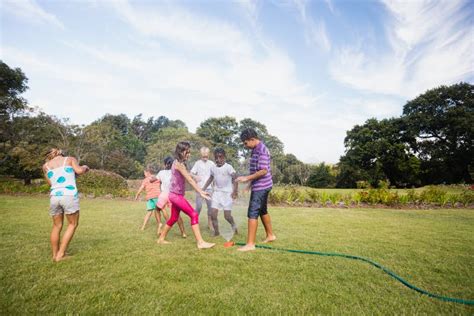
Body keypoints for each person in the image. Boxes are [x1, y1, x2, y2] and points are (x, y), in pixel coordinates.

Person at [157, 142, 215, 249]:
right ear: (180, 151)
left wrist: (194, 178)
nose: (188, 154)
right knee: (194, 214)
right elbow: (189, 180)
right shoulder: (179, 164)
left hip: (174, 195)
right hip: (176, 196)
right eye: (186, 152)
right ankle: (200, 243)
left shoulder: (177, 163)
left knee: (174, 218)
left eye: (189, 152)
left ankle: (161, 239)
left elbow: (188, 176)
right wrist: (201, 191)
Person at [42, 148, 89, 262]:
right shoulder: (70, 159)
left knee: (57, 226)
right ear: (62, 154)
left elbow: (51, 183)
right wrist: (85, 167)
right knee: (72, 224)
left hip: (54, 197)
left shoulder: (46, 166)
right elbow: (79, 171)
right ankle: (61, 255)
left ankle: (54, 255)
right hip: (68, 195)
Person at [235, 129, 276, 251]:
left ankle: (250, 244)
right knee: (263, 210)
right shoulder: (255, 149)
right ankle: (270, 235)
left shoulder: (262, 150)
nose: (245, 145)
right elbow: (255, 170)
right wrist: (249, 185)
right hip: (261, 185)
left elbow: (263, 171)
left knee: (252, 212)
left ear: (252, 139)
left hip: (262, 186)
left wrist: (247, 179)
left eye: (245, 142)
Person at [202, 148, 238, 236]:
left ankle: (234, 226)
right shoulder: (213, 168)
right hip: (217, 193)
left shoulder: (228, 167)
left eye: (220, 157)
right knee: (213, 214)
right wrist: (202, 189)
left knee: (227, 216)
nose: (218, 159)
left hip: (227, 194)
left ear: (224, 157)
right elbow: (210, 178)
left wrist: (235, 191)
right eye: (216, 158)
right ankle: (216, 232)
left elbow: (235, 178)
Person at [156, 156, 186, 238]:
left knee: (157, 209)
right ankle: (183, 233)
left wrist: (151, 179)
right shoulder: (175, 172)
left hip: (164, 194)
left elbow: (154, 180)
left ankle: (160, 223)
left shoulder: (161, 172)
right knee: (177, 215)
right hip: (173, 194)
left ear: (165, 164)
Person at [190, 147, 215, 232]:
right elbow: (191, 173)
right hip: (199, 189)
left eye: (206, 156)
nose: (205, 157)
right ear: (201, 155)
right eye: (203, 156)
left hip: (209, 189)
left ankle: (210, 224)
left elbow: (214, 175)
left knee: (210, 207)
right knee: (199, 207)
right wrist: (195, 176)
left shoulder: (212, 163)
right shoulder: (197, 163)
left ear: (208, 155)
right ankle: (195, 222)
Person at [134, 167, 164, 233]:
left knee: (149, 212)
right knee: (158, 211)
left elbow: (141, 188)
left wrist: (137, 195)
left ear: (148, 172)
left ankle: (143, 227)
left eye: (144, 173)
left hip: (150, 197)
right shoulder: (157, 178)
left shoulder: (145, 180)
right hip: (157, 196)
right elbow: (163, 183)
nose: (144, 174)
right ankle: (160, 224)